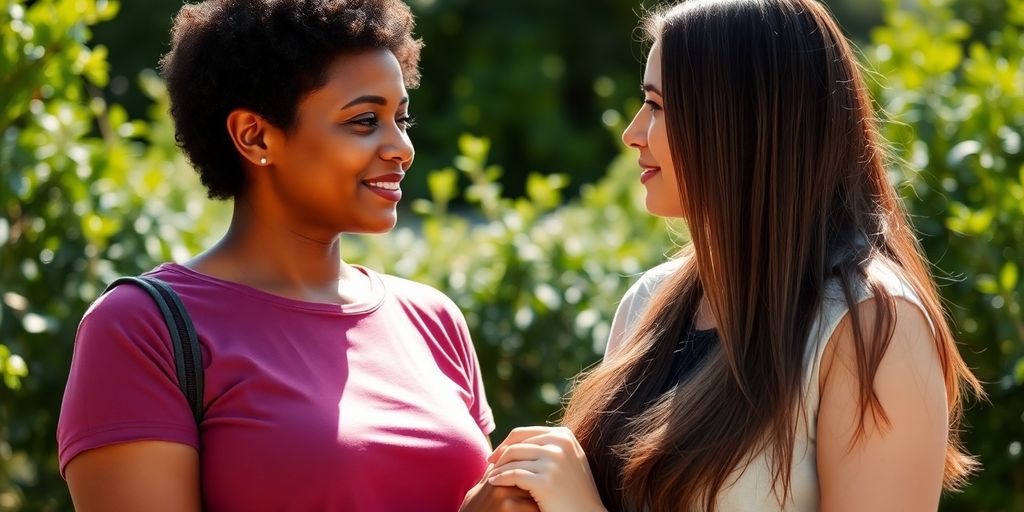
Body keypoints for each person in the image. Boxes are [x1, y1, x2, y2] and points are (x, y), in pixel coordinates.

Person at [484, 1, 983, 511]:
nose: (632, 133)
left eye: (656, 106)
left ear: (740, 122)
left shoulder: (872, 325)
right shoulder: (647, 302)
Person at [56, 1, 535, 510]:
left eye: (402, 117)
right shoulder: (141, 329)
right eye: (366, 120)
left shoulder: (433, 320)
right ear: (255, 135)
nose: (402, 147)